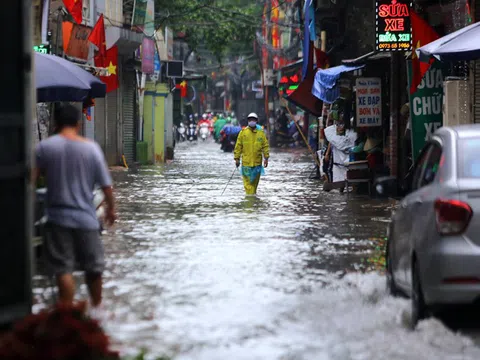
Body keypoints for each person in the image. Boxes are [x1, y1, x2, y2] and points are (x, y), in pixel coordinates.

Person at [34, 103, 116, 312]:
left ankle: (67, 314)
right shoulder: (91, 148)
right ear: (78, 124)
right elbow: (107, 187)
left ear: (56, 124)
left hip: (57, 218)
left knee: (64, 268)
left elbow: (31, 181)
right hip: (86, 219)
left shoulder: (45, 148)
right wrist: (111, 209)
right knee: (94, 268)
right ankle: (98, 312)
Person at [234, 113, 270, 195]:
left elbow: (265, 146)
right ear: (248, 121)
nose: (252, 121)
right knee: (248, 185)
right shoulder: (243, 133)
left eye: (253, 120)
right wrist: (237, 159)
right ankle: (250, 204)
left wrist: (266, 158)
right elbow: (238, 147)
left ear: (256, 121)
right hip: (246, 164)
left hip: (257, 164)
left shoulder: (261, 133)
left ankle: (253, 201)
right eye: (250, 120)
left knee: (254, 185)